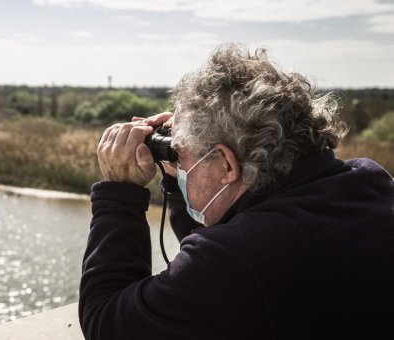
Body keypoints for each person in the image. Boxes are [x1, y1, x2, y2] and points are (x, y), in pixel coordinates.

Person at [78, 44, 394, 340]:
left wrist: (119, 194)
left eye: (181, 154)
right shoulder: (369, 182)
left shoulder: (232, 267)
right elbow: (235, 233)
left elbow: (106, 320)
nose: (180, 163)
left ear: (228, 165)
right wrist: (179, 178)